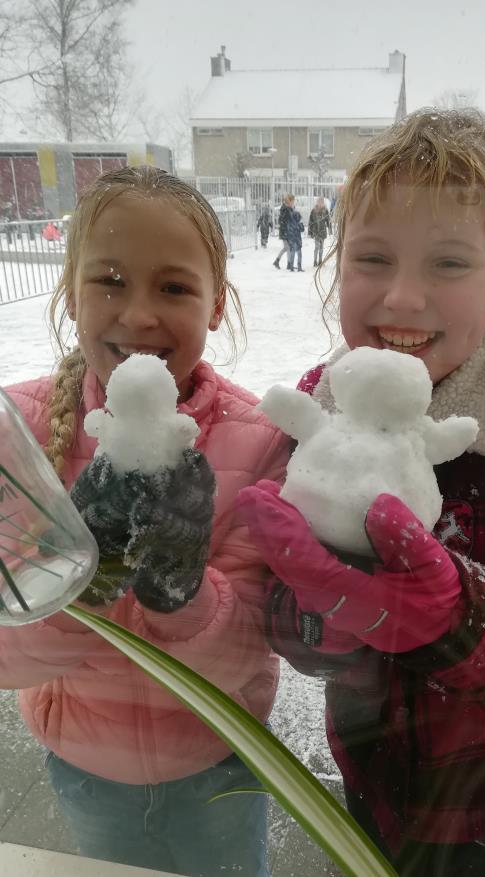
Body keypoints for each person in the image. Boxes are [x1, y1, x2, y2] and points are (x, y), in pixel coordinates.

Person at [236, 108, 485, 877]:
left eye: (449, 264)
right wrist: (330, 617)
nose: (403, 300)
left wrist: (448, 610)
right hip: (374, 771)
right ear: (335, 263)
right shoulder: (321, 413)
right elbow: (280, 611)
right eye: (373, 257)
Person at [1, 165, 289, 877]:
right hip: (86, 767)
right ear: (71, 294)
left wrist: (179, 589)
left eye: (174, 286)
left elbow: (256, 643)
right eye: (108, 280)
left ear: (216, 303)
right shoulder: (20, 436)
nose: (138, 314)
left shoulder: (261, 440)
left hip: (220, 762)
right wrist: (78, 585)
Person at [308, 196, 332, 266]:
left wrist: (330, 230)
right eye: (319, 202)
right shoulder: (314, 211)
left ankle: (320, 260)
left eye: (322, 202)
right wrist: (310, 231)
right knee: (317, 247)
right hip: (316, 231)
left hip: (322, 231)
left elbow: (328, 221)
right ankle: (315, 261)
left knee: (321, 247)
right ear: (317, 203)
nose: (320, 203)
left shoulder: (325, 210)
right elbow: (311, 221)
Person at [273, 193, 294, 269]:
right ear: (290, 201)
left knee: (286, 247)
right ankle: (288, 264)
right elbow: (283, 220)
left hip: (286, 231)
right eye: (293, 201)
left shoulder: (286, 208)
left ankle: (277, 261)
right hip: (285, 231)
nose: (293, 203)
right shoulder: (286, 209)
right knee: (288, 247)